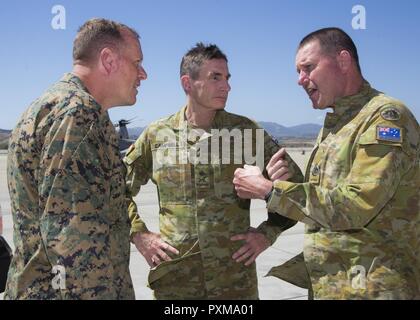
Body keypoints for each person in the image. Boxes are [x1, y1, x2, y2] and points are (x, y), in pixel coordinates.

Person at [233, 27, 420, 299]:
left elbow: (356, 205)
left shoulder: (385, 118)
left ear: (343, 61)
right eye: (298, 71)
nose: (300, 80)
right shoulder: (338, 124)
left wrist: (269, 191)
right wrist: (280, 183)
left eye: (307, 67)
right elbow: (325, 198)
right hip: (333, 285)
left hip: (373, 289)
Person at [124, 43, 303, 299]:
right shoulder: (157, 136)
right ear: (187, 83)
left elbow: (297, 190)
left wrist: (267, 234)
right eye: (215, 77)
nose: (226, 86)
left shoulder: (246, 133)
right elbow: (114, 190)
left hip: (234, 284)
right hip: (177, 284)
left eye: (227, 78)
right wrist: (139, 235)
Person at [5, 18, 147, 299]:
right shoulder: (79, 115)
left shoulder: (53, 105)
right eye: (137, 62)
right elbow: (74, 242)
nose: (143, 74)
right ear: (108, 60)